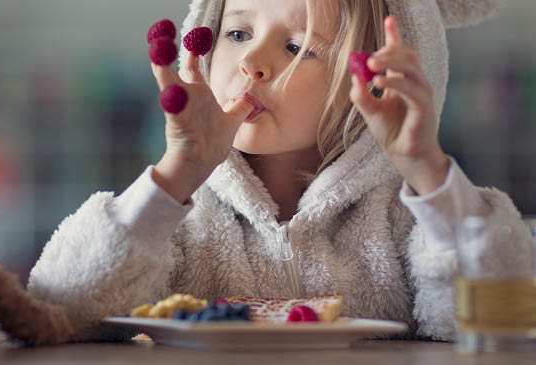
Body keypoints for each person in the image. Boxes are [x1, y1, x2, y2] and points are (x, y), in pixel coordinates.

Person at [27, 0, 533, 342]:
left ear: (375, 80)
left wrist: (426, 169)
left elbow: (504, 319)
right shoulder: (176, 220)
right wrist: (178, 172)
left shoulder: (403, 221)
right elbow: (59, 310)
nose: (252, 62)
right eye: (238, 32)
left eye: (297, 48)